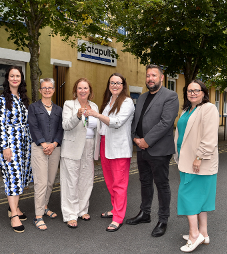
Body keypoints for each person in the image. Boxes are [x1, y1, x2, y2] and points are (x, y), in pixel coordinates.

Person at [127, 64, 179, 237]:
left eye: (154, 75)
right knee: (145, 182)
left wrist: (146, 141)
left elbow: (166, 123)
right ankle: (145, 214)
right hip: (141, 148)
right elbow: (136, 120)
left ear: (161, 77)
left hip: (159, 150)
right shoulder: (142, 97)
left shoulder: (170, 96)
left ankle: (163, 220)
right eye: (148, 75)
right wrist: (135, 137)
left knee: (162, 184)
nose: (150, 78)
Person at [86, 73, 135, 232]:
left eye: (118, 83)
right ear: (109, 85)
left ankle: (118, 217)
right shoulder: (108, 102)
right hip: (105, 145)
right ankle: (115, 209)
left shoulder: (127, 102)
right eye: (112, 82)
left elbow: (117, 122)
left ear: (123, 85)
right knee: (110, 182)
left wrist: (97, 115)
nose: (115, 85)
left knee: (120, 184)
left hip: (119, 148)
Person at [174, 80, 219, 252]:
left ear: (203, 92)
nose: (192, 93)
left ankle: (194, 235)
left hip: (198, 162)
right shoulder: (187, 110)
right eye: (189, 90)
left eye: (196, 90)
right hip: (185, 160)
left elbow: (209, 137)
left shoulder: (208, 108)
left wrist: (199, 157)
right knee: (200, 197)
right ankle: (204, 233)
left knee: (187, 196)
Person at [0, 66, 32, 233]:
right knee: (14, 177)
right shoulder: (3, 100)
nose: (15, 78)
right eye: (12, 76)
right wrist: (5, 147)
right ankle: (14, 216)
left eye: (18, 75)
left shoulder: (23, 99)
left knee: (21, 177)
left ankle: (15, 208)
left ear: (21, 78)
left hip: (24, 144)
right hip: (10, 144)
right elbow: (0, 125)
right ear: (7, 78)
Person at [60, 78, 100, 229]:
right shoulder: (69, 105)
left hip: (89, 146)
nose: (82, 91)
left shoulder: (94, 106)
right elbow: (65, 125)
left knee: (86, 179)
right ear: (75, 90)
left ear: (90, 90)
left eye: (85, 88)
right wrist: (77, 116)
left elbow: (97, 127)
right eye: (79, 88)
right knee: (71, 181)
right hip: (72, 147)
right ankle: (70, 214)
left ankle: (82, 209)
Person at [28, 78, 64, 231]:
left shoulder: (59, 110)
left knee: (50, 182)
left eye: (50, 87)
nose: (47, 90)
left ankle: (44, 207)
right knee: (41, 183)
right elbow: (33, 127)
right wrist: (44, 144)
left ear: (54, 90)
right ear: (40, 90)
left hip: (55, 148)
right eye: (44, 88)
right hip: (39, 148)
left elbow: (60, 129)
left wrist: (54, 144)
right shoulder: (33, 108)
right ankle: (38, 216)